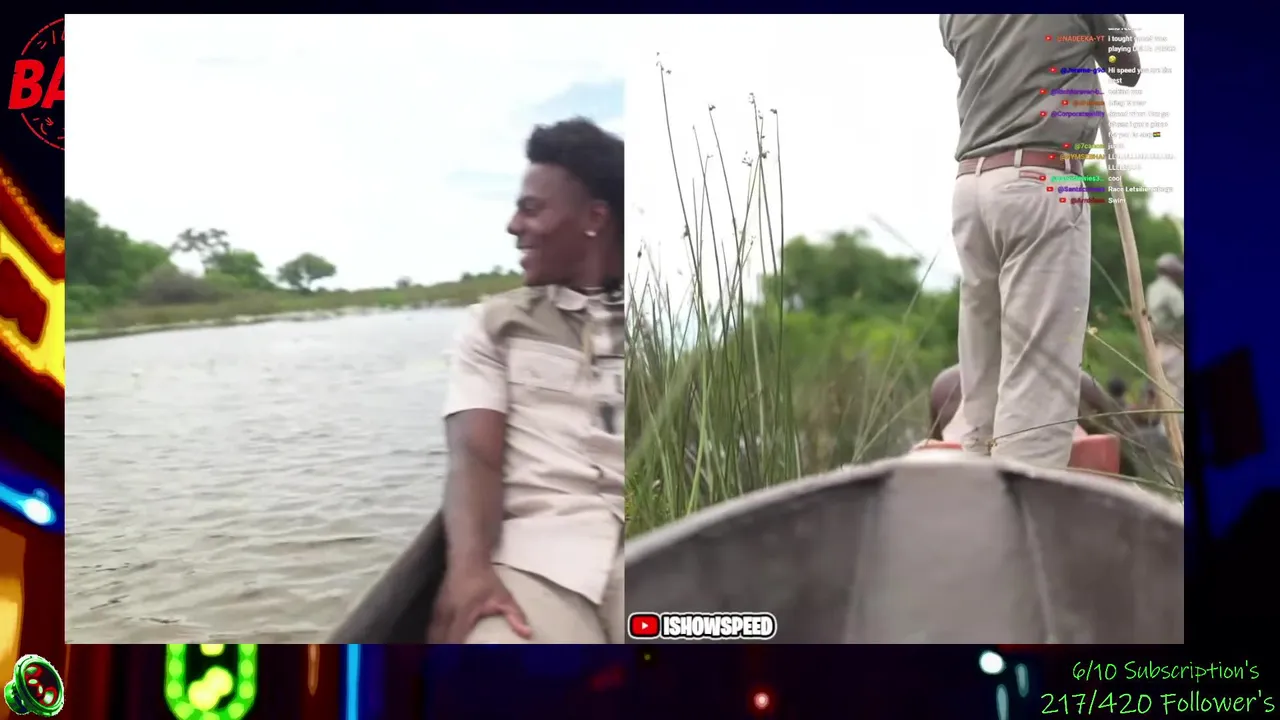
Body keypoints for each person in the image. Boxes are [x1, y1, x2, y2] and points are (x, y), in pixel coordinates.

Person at [428, 118, 625, 644]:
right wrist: (469, 569)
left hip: (664, 548)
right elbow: (474, 457)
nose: (514, 226)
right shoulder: (493, 324)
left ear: (594, 219)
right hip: (541, 562)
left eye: (531, 209)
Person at [939, 14, 1140, 468]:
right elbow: (1126, 66)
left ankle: (977, 491)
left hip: (972, 186)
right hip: (1040, 180)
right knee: (1038, 377)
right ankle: (1021, 503)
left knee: (982, 378)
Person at [1146, 253, 1184, 404]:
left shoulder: (1152, 289)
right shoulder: (1172, 291)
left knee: (1162, 389)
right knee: (1177, 391)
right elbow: (1182, 316)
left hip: (1159, 346)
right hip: (1175, 346)